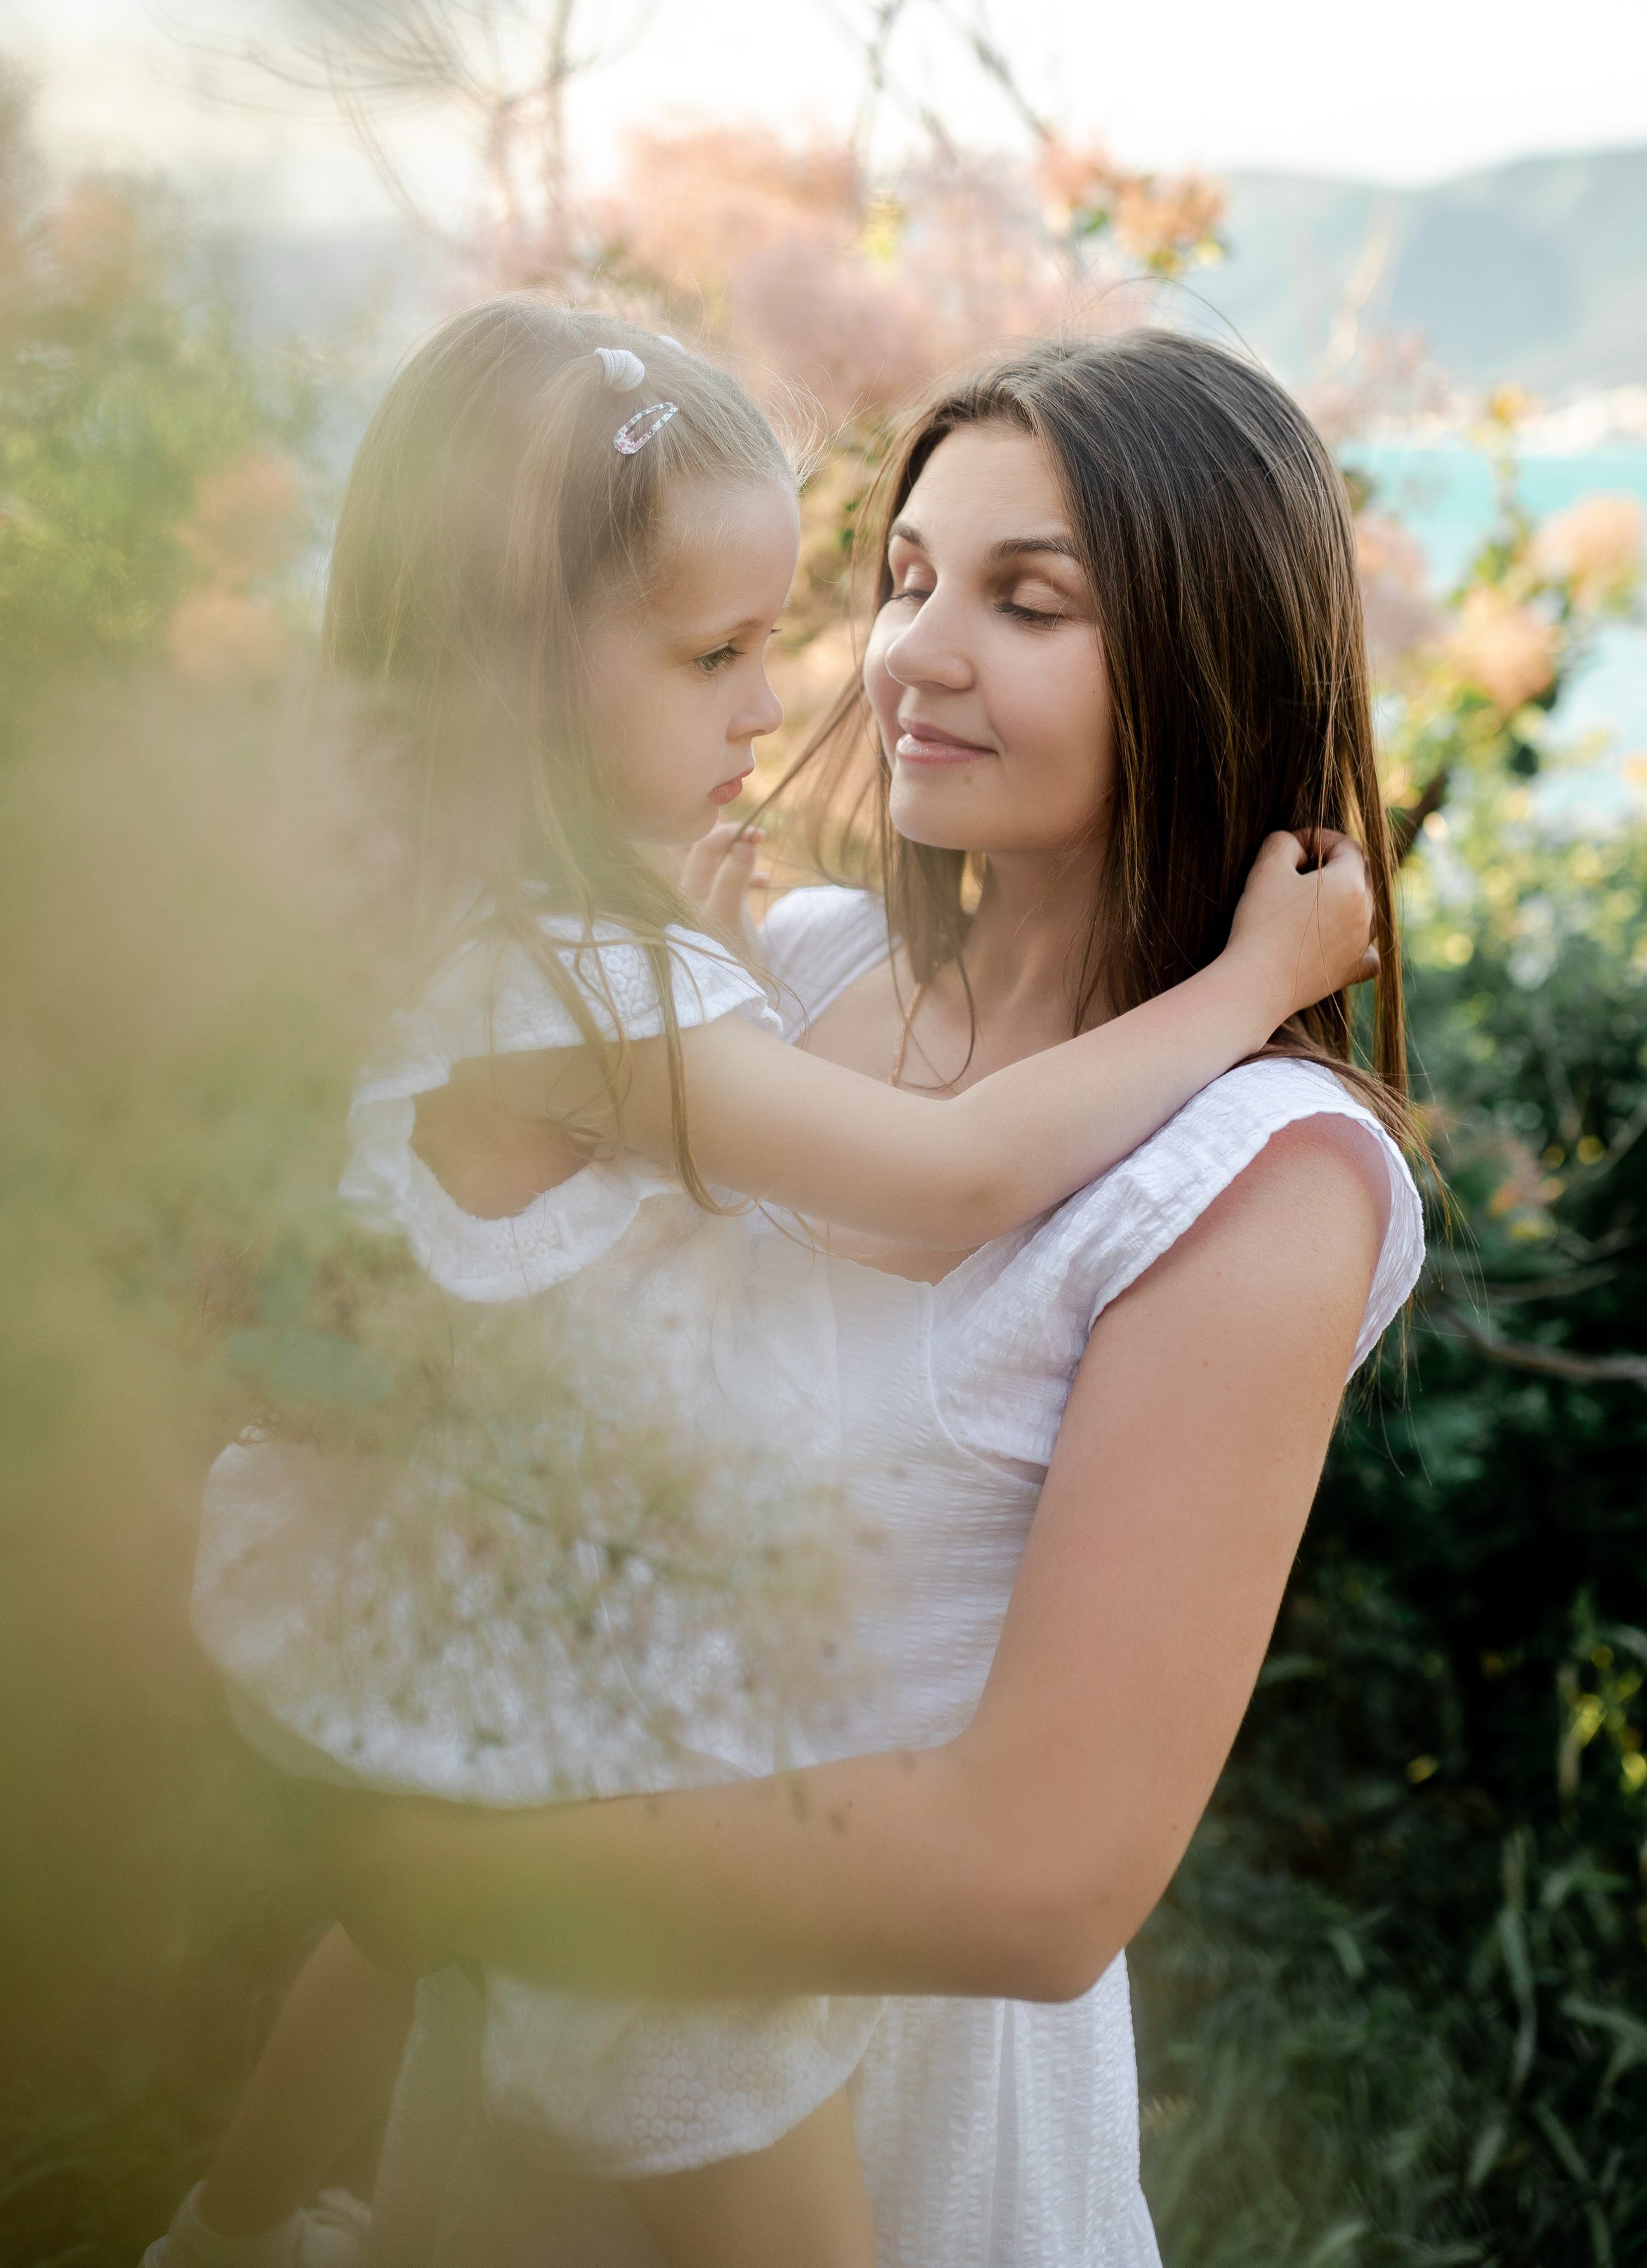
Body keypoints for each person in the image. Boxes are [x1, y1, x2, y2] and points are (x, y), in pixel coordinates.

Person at [145, 305, 1377, 2268]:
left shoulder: (1257, 1175)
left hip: (890, 2089)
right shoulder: (772, 975)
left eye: (1025, 601)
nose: (907, 656)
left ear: (1200, 651)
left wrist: (449, 1873)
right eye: (905, 579)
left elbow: (1043, 1888)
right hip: (529, 2052)